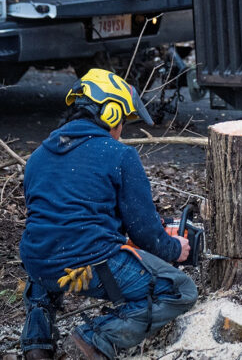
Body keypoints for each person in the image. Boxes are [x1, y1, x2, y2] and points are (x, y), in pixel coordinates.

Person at [19, 69, 197, 359]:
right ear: (111, 113)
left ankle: (37, 343)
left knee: (49, 248)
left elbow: (54, 217)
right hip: (90, 267)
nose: (122, 129)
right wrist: (174, 248)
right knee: (181, 291)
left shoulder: (38, 156)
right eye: (123, 121)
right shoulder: (120, 155)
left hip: (38, 264)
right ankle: (97, 336)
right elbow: (144, 232)